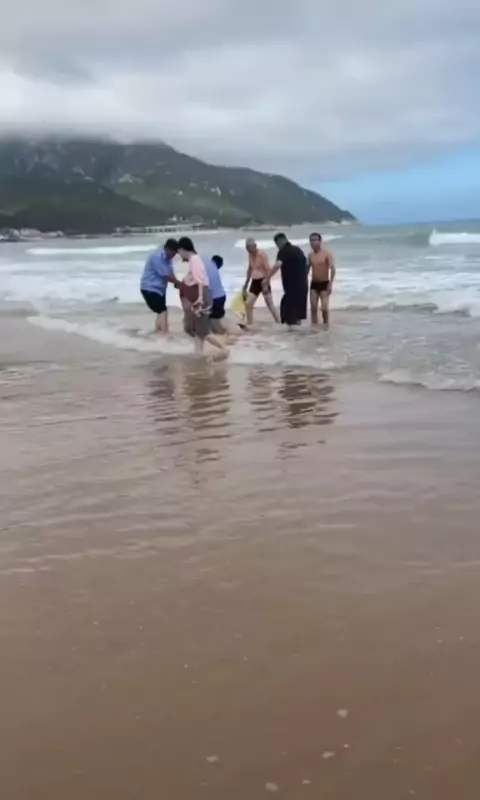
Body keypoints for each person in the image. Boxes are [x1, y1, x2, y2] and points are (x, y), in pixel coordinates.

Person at [177, 237, 229, 358]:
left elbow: (200, 281)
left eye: (179, 252)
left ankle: (224, 349)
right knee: (196, 330)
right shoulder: (194, 260)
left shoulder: (194, 260)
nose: (179, 255)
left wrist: (200, 298)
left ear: (183, 249)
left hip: (203, 297)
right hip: (203, 296)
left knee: (202, 331)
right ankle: (198, 354)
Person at [269, 233, 308, 328]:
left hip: (292, 288)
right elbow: (306, 264)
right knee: (297, 313)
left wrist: (267, 278)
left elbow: (278, 264)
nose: (277, 246)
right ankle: (297, 332)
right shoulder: (298, 250)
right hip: (303, 286)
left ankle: (292, 333)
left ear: (279, 242)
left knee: (288, 312)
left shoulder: (283, 251)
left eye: (277, 244)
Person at [140, 238, 180, 333]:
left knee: (160, 311)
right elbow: (165, 275)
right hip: (150, 288)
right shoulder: (157, 256)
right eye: (173, 253)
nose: (174, 255)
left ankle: (158, 332)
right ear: (167, 249)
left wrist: (176, 282)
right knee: (162, 311)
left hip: (160, 289)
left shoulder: (168, 258)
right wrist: (178, 283)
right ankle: (164, 334)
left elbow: (170, 272)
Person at [242, 238, 280, 325]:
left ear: (255, 246)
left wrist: (266, 282)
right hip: (255, 282)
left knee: (270, 305)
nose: (248, 250)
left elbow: (268, 269)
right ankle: (250, 324)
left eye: (249, 248)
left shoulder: (262, 254)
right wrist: (246, 283)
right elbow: (250, 269)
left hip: (263, 281)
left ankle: (279, 322)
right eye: (247, 248)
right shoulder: (250, 255)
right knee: (248, 304)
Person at [308, 232, 336, 329]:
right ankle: (314, 327)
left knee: (324, 308)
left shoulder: (326, 254)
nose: (313, 242)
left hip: (324, 283)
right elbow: (307, 269)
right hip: (314, 284)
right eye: (311, 240)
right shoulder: (310, 255)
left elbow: (333, 269)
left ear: (320, 241)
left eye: (315, 240)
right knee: (313, 308)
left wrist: (330, 284)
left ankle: (326, 325)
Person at [206, 254, 228, 334]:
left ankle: (223, 335)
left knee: (213, 322)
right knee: (216, 319)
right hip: (221, 296)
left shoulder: (209, 267)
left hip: (215, 298)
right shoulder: (214, 269)